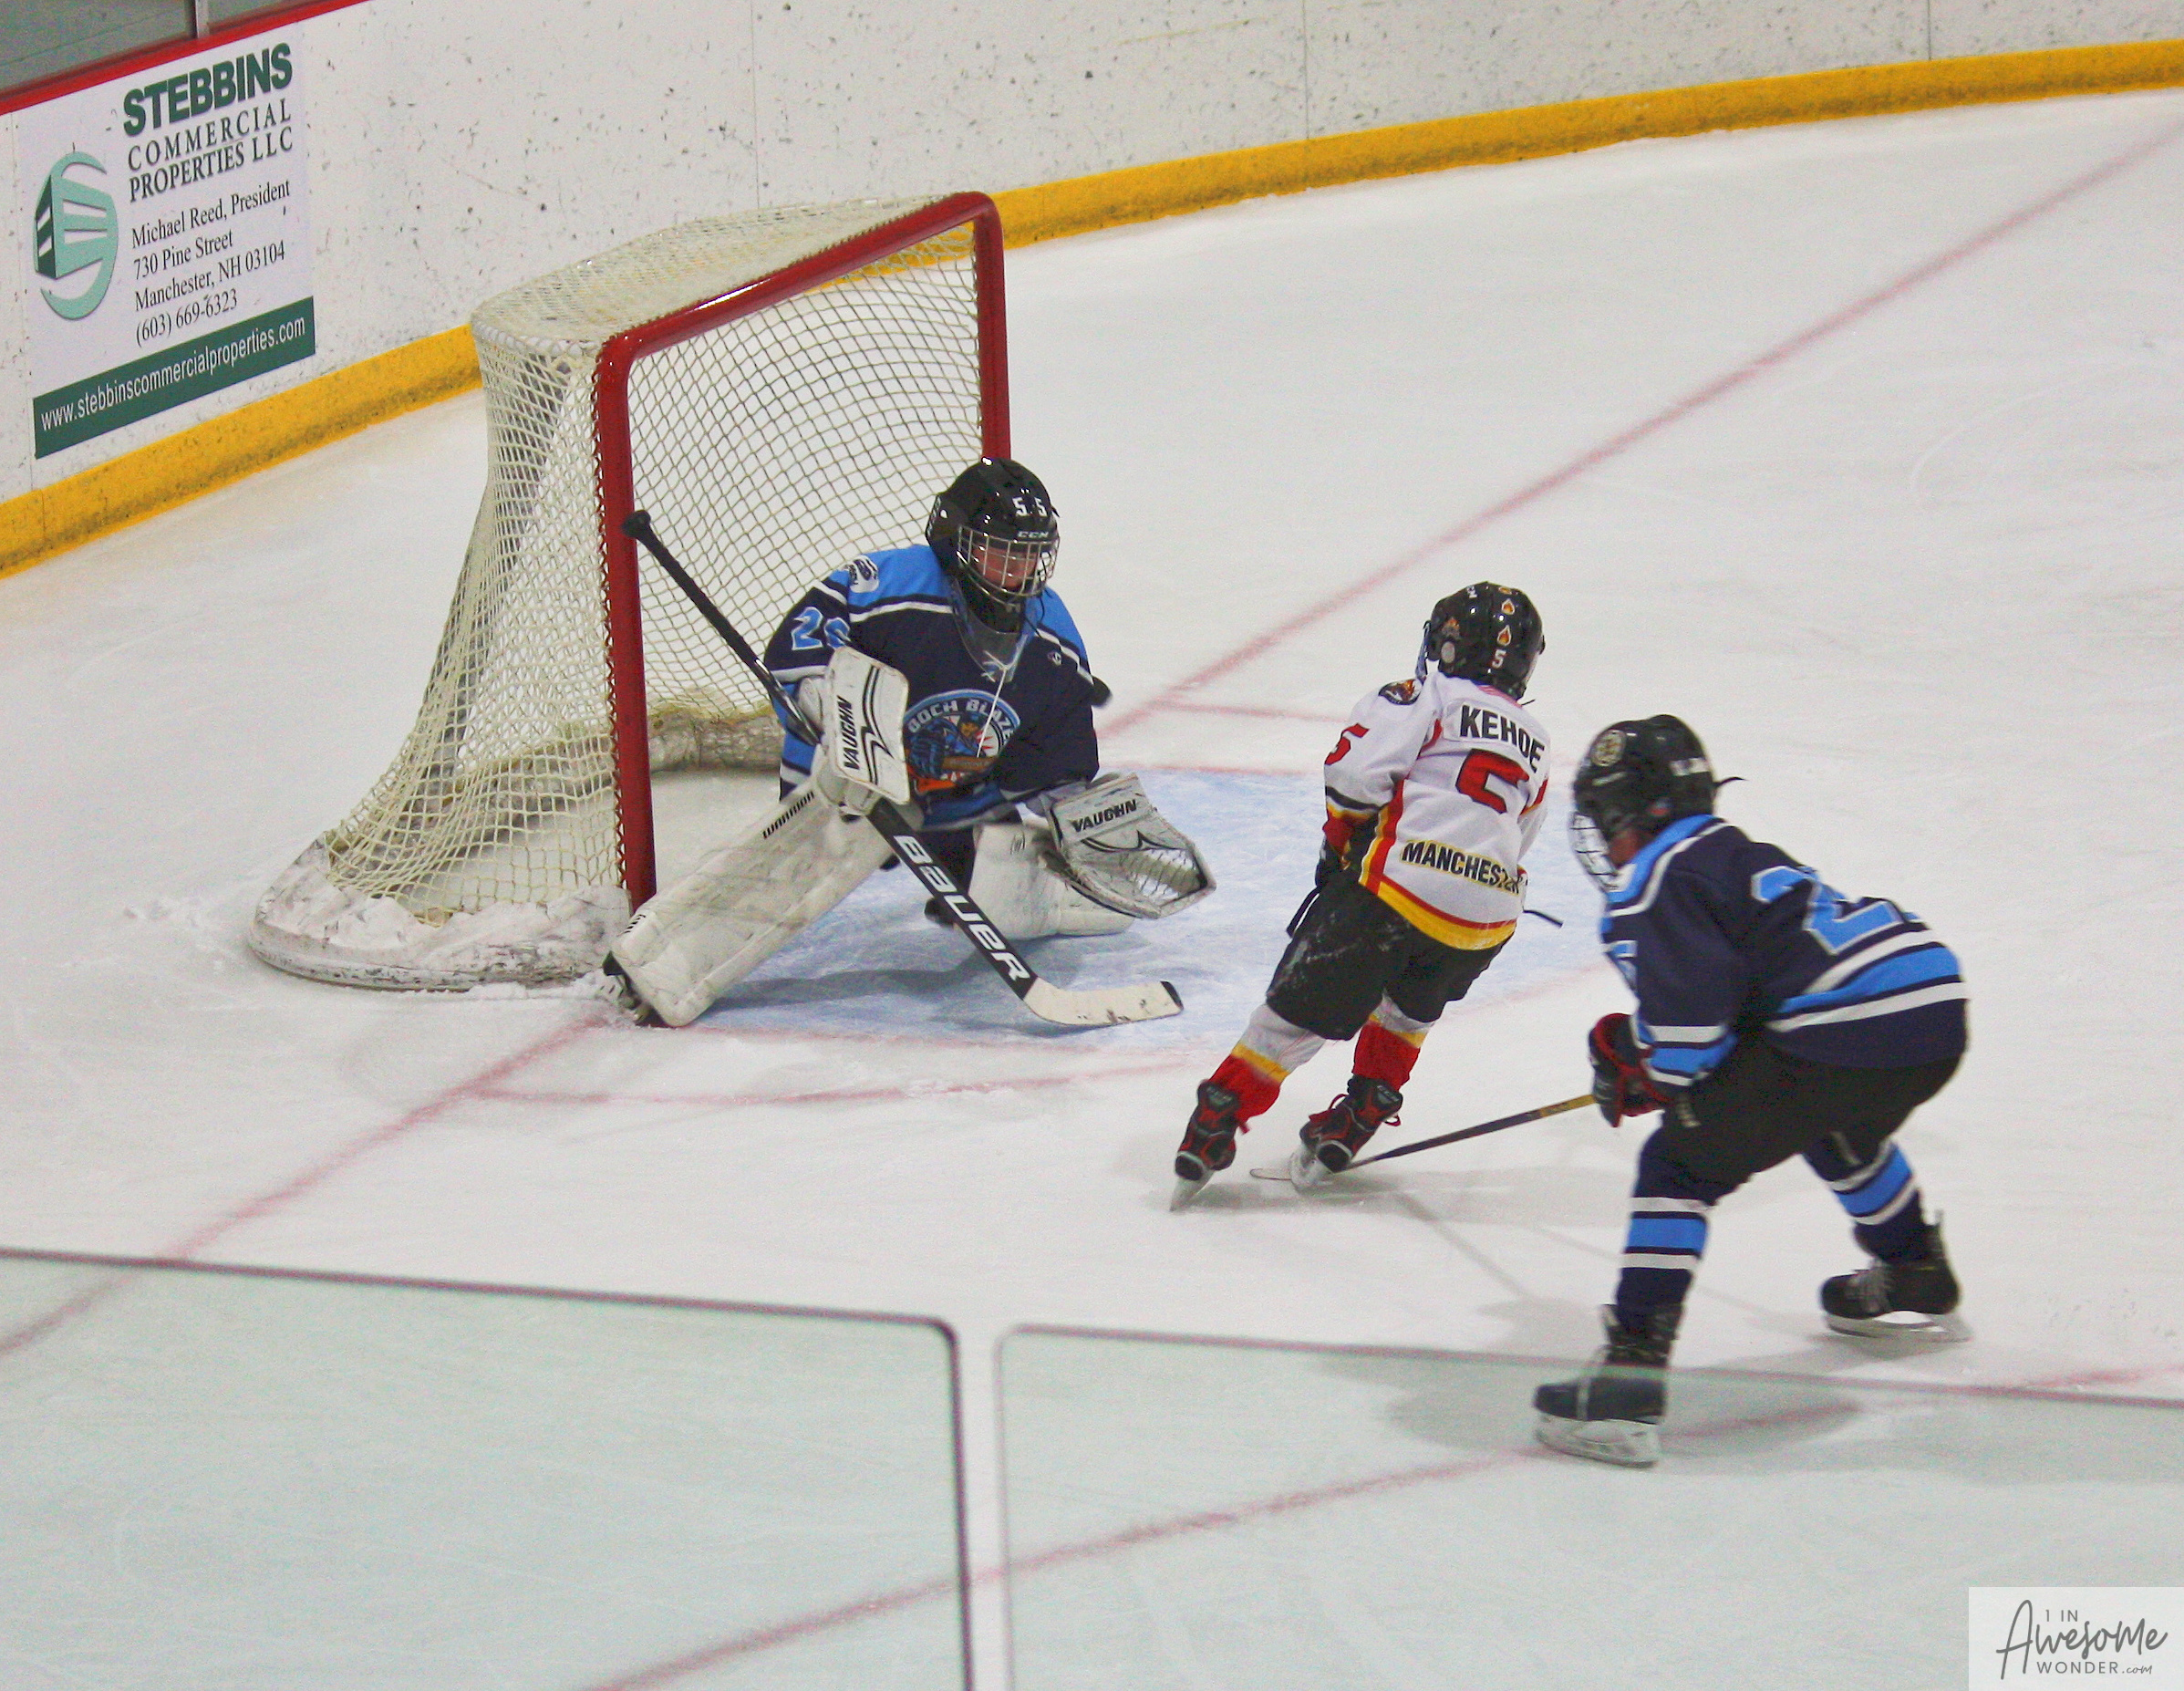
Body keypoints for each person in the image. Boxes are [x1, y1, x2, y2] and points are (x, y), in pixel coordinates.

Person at [1534, 715, 1970, 1468]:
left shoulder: (1652, 880)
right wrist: (1645, 1054)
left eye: (1606, 820)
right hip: (1931, 1004)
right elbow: (1746, 1004)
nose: (1605, 842)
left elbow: (1689, 1046)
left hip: (1837, 1025)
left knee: (1676, 1166)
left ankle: (1626, 1387)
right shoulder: (1734, 852)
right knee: (1827, 1121)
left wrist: (1639, 1064)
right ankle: (1914, 1269)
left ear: (1635, 814)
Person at [1170, 584, 1550, 1208]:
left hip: (1398, 890)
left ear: (1447, 646)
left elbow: (1353, 779)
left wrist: (1339, 846)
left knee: (1296, 1017)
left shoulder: (1424, 695)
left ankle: (1219, 1116)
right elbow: (1521, 833)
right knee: (1408, 1011)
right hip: (1486, 919)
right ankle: (1361, 1112)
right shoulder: (1535, 739)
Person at [763, 458, 1102, 911]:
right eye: (1000, 550)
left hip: (952, 793)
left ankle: (969, 865)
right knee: (811, 860)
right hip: (844, 780)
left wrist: (1078, 819)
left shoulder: (1051, 631)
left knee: (1000, 884)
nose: (1016, 569)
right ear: (955, 538)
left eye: (1028, 554)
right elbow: (799, 646)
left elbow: (1056, 741)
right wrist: (827, 707)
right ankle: (795, 851)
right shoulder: (890, 582)